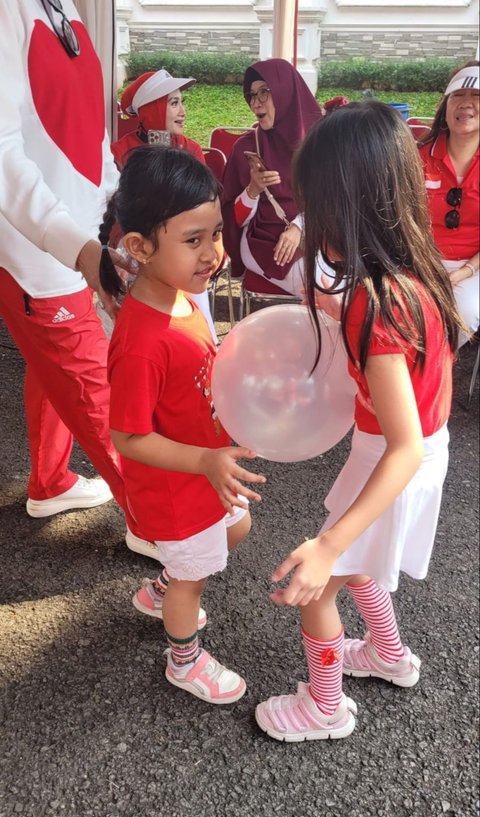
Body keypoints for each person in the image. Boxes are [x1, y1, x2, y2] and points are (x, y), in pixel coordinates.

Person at [255, 100, 463, 742]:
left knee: (318, 587)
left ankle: (325, 708)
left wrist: (327, 546)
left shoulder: (374, 306)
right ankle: (387, 655)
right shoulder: (414, 277)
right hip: (418, 451)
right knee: (364, 562)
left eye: (316, 203)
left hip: (393, 459)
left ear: (345, 206)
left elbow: (399, 447)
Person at [99, 145, 266, 703]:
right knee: (196, 574)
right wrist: (203, 458)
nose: (213, 253)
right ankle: (183, 658)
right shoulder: (142, 342)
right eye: (193, 240)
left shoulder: (183, 297)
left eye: (215, 234)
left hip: (204, 470)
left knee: (235, 529)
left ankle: (164, 586)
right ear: (140, 247)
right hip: (176, 487)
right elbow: (127, 436)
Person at [0, 0, 155, 556]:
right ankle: (158, 523)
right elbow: (1, 154)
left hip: (83, 238)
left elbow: (90, 134)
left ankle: (50, 483)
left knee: (55, 370)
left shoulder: (66, 10)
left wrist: (118, 211)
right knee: (97, 389)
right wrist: (80, 248)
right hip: (37, 252)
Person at [111, 68, 218, 343]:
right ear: (150, 109)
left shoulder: (190, 149)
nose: (182, 111)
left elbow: (204, 205)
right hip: (137, 246)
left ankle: (201, 344)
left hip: (184, 245)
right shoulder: (121, 152)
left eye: (182, 102)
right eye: (173, 103)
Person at [221, 58, 322, 296]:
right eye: (251, 95)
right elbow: (231, 219)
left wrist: (299, 227)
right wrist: (252, 190)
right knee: (323, 289)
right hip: (264, 242)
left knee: (351, 280)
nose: (255, 103)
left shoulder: (321, 143)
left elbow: (338, 200)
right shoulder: (247, 147)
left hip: (321, 236)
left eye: (264, 92)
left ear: (285, 92)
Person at [418, 61, 479, 347]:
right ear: (446, 105)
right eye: (458, 95)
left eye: (477, 96)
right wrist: (423, 264)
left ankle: (431, 377)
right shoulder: (418, 156)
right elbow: (400, 218)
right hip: (420, 259)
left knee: (461, 314)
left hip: (473, 267)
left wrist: (463, 272)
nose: (466, 104)